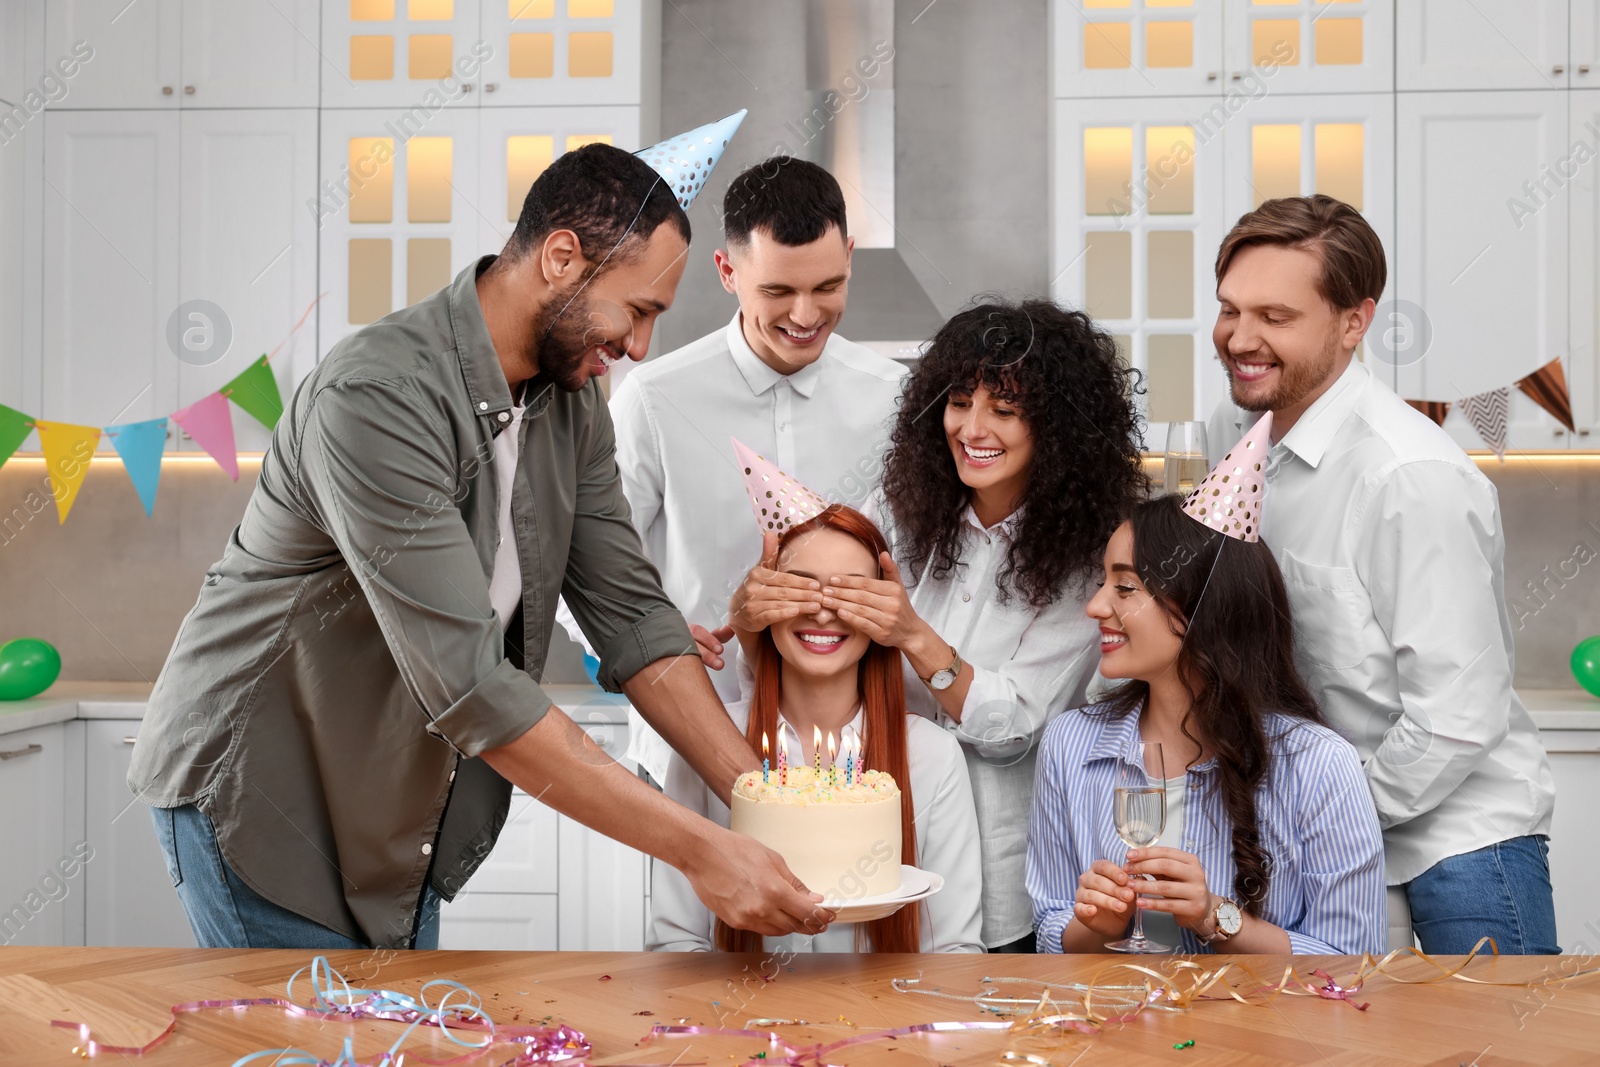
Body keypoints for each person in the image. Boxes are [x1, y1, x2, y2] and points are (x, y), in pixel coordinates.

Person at [129, 142, 831, 950]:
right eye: (637, 311)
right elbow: (470, 685)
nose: (639, 347)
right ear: (562, 258)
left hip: (388, 817)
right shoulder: (380, 395)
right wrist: (701, 848)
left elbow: (633, 617)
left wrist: (767, 802)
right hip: (263, 793)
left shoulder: (572, 403)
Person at [730, 299, 1149, 952]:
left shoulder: (1087, 561)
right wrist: (755, 611)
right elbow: (813, 623)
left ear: (1060, 429)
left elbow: (1010, 727)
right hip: (867, 849)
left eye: (1004, 410)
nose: (972, 427)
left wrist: (913, 636)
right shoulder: (902, 507)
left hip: (996, 865)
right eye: (959, 401)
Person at [1205, 194, 1557, 954]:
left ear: (1354, 323)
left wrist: (1326, 818)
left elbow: (1455, 719)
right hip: (1311, 830)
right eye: (1230, 309)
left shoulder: (1410, 476)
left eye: (1275, 314)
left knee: (1489, 1049)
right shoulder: (1238, 438)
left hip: (1456, 842)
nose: (1240, 337)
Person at [558, 155, 905, 787]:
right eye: (777, 291)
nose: (805, 315)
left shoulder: (896, 400)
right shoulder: (653, 399)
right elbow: (576, 571)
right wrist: (643, 637)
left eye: (827, 287)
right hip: (693, 735)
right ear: (727, 271)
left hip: (858, 746)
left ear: (850, 257)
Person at [1027, 491, 1386, 955]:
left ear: (1202, 607)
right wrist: (1103, 925)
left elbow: (1354, 966)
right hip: (1117, 1022)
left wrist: (1215, 917)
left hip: (1260, 1028)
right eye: (1103, 584)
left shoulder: (1318, 764)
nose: (1095, 607)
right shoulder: (1070, 745)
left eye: (1125, 587)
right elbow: (1049, 932)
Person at [649, 503, 983, 953]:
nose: (823, 612)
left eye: (850, 595)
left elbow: (955, 953)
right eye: (800, 591)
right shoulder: (708, 740)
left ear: (884, 617)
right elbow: (675, 941)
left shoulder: (933, 757)